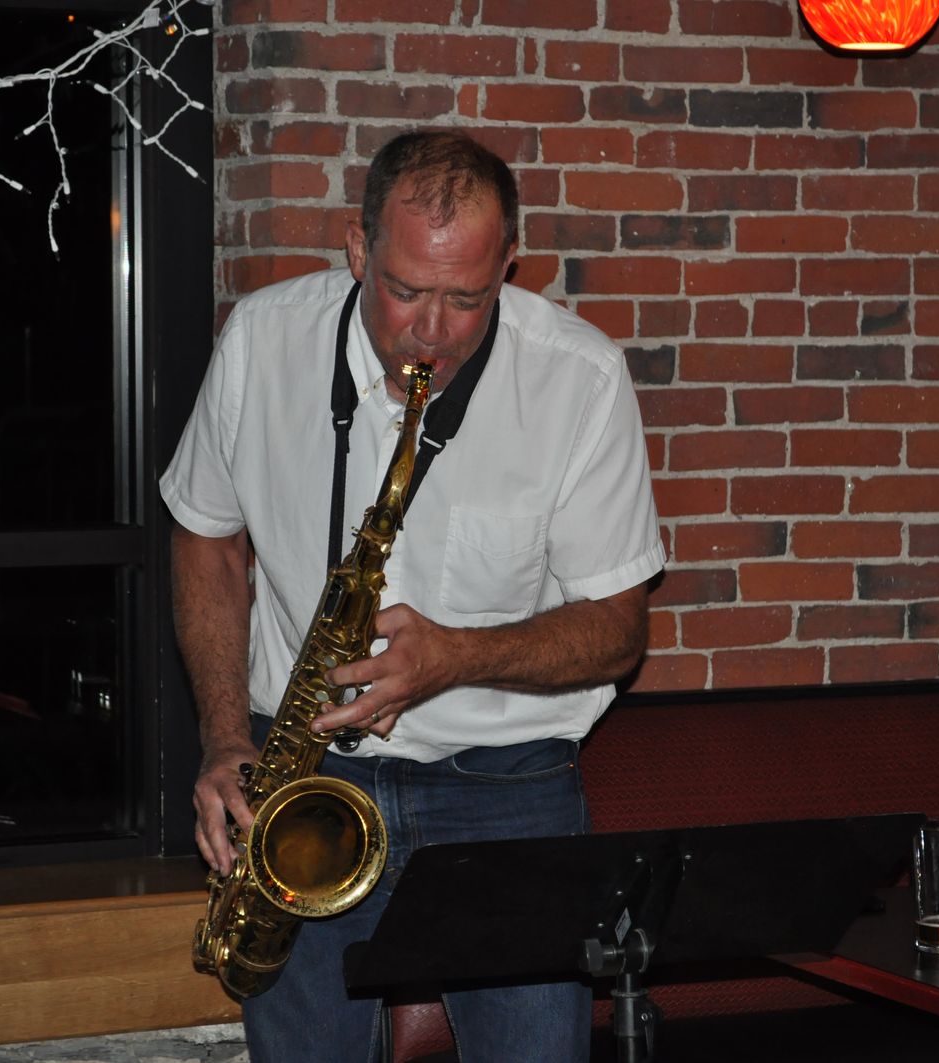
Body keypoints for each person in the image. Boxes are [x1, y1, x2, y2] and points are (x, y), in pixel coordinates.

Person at [160, 130, 666, 1062]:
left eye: (467, 299)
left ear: (509, 267)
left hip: (504, 785)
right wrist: (226, 735)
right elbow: (205, 537)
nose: (431, 331)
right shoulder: (265, 341)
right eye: (404, 290)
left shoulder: (577, 379)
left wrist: (453, 658)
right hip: (303, 773)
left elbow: (616, 632)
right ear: (358, 250)